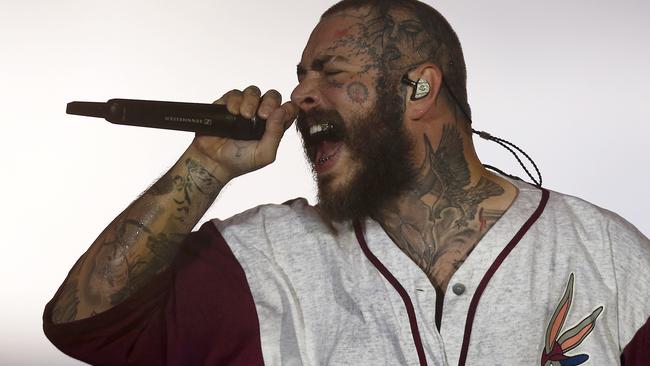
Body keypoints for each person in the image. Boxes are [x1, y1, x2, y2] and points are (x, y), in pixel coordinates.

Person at [44, 0, 649, 365]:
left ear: (419, 88)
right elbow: (84, 323)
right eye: (300, 75)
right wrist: (206, 164)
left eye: (329, 73)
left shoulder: (606, 255)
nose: (302, 95)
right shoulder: (265, 258)